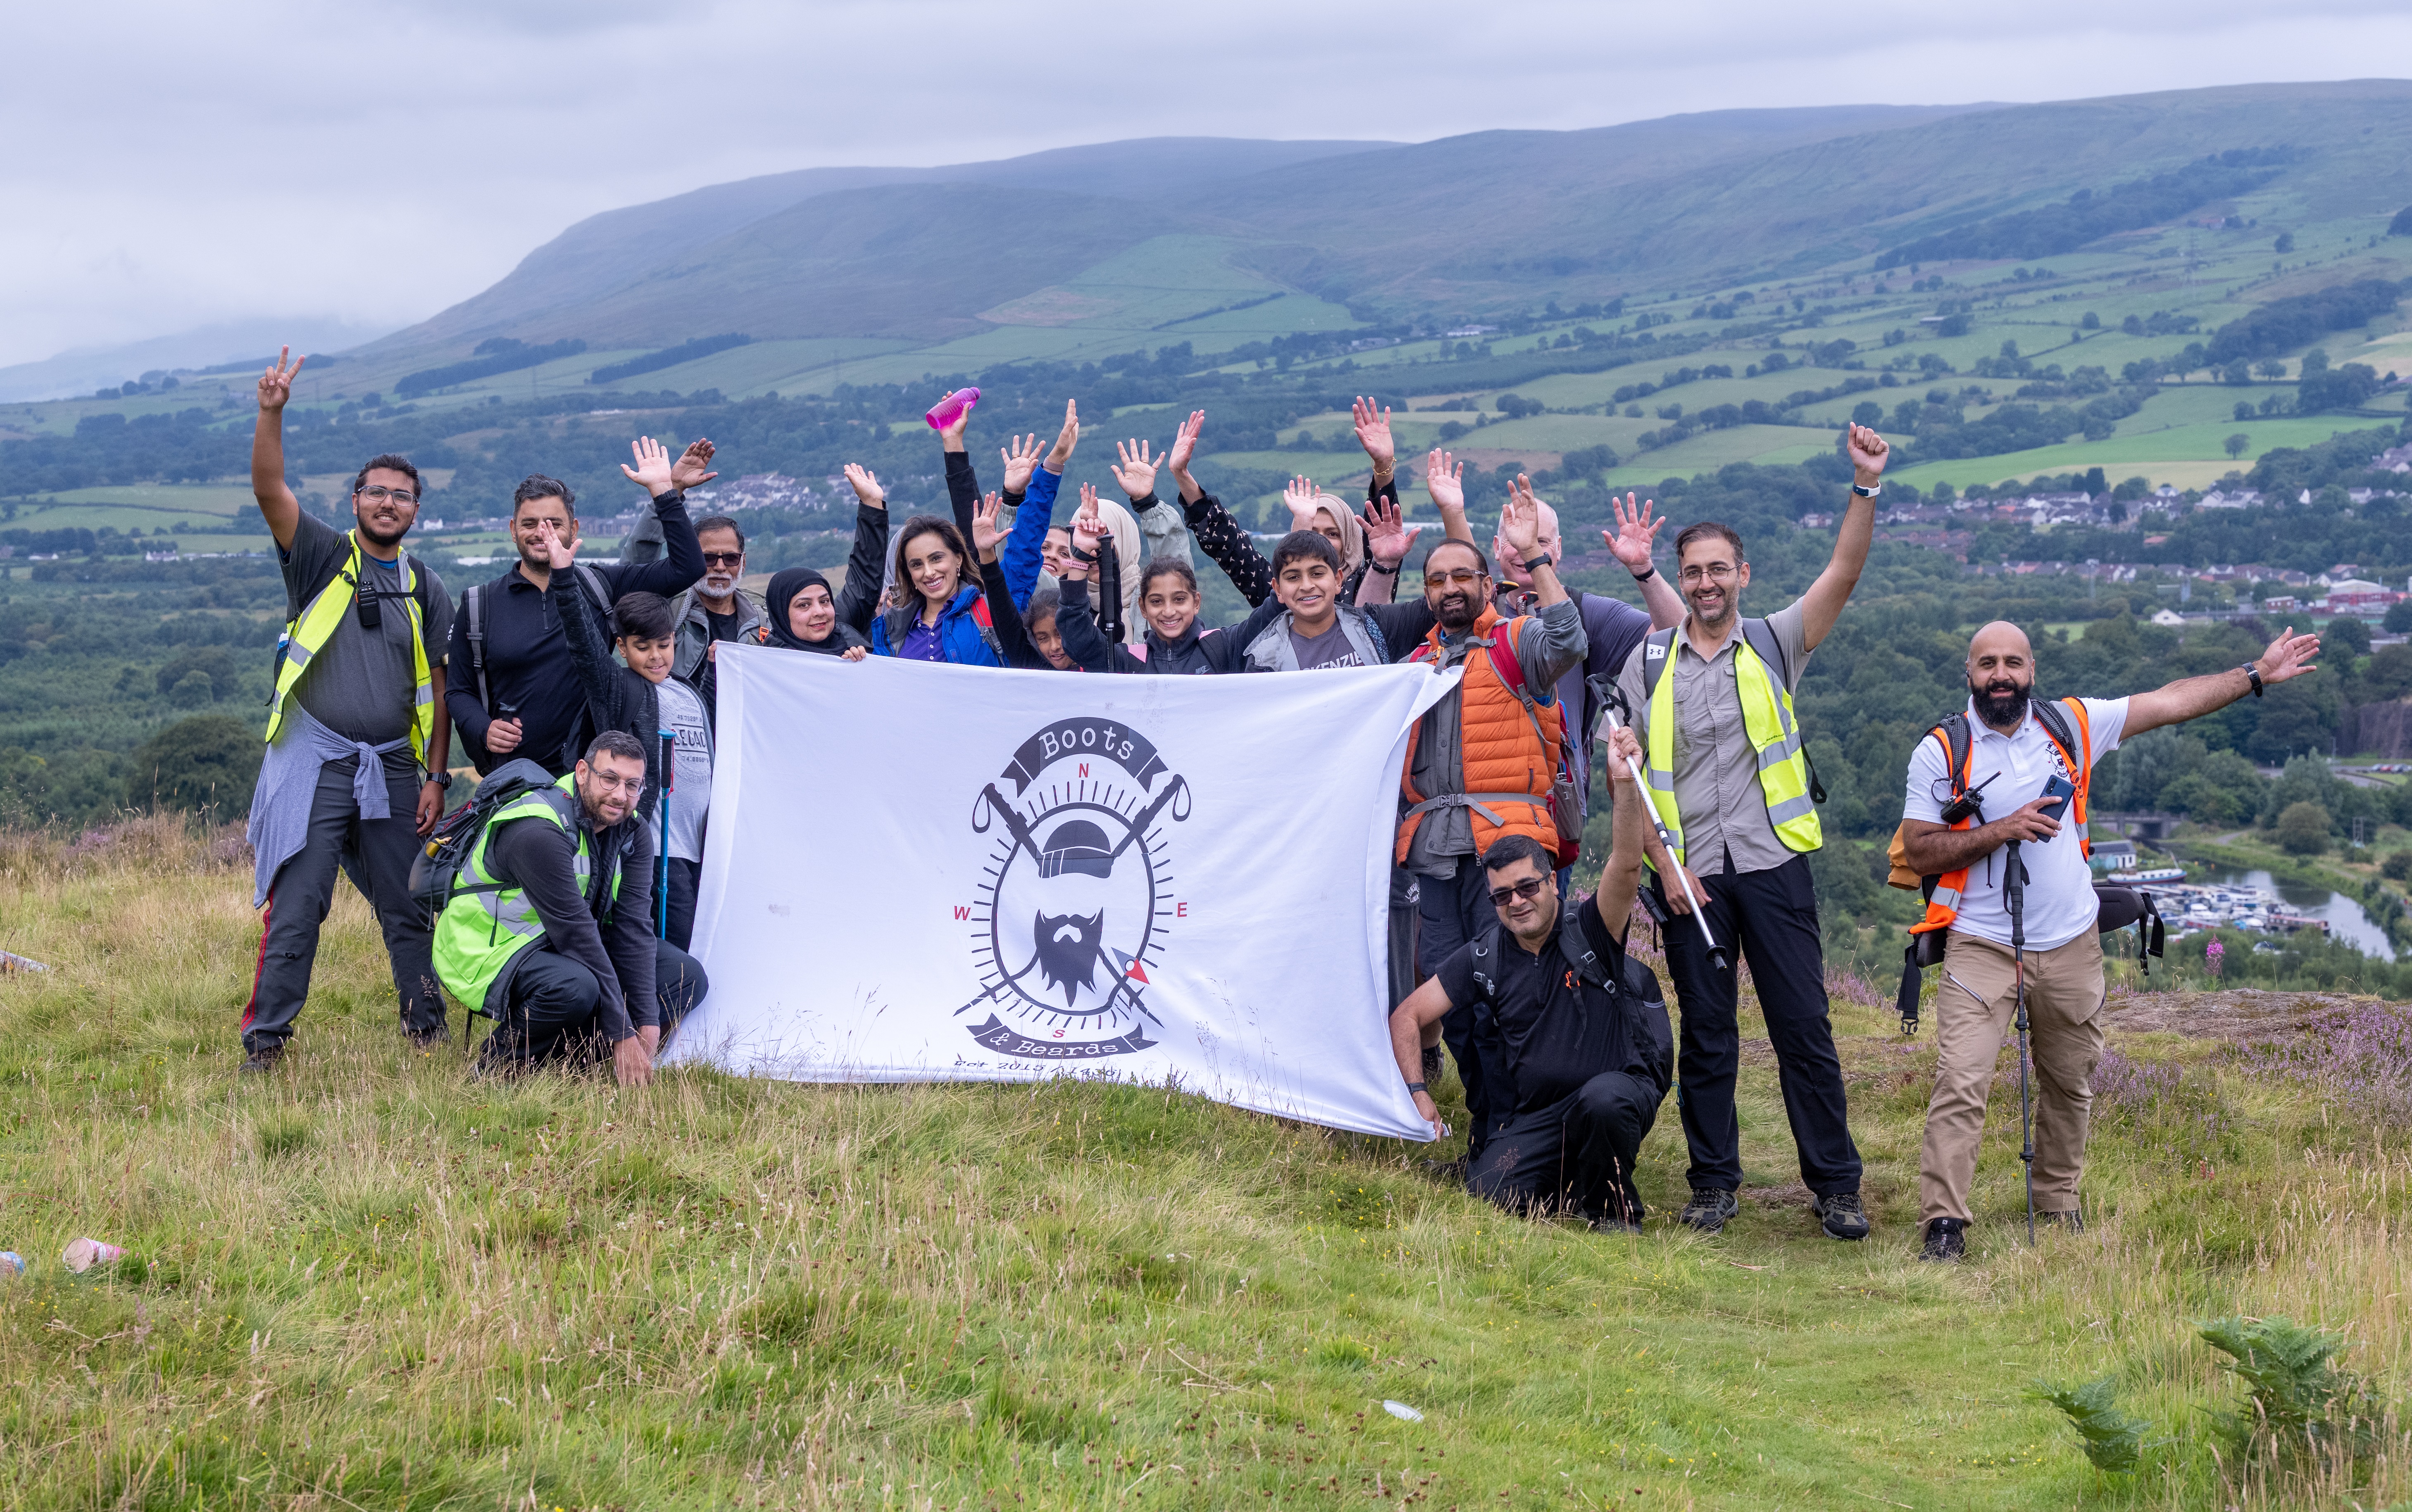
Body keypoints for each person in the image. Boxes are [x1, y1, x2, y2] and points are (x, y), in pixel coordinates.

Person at [1898, 620, 2320, 1261]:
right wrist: (2003, 829)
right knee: (1962, 1082)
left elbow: (2170, 699)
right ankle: (1945, 1224)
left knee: (2071, 1082)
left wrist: (2255, 674)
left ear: (2032, 670)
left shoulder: (2071, 724)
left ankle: (2058, 1202)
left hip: (2070, 940)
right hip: (1982, 943)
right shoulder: (1941, 750)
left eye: (2013, 662)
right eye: (1987, 664)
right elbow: (1922, 848)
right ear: (1969, 675)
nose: (2000, 675)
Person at [1612, 423, 1893, 1241]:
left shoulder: (1773, 642)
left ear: (1741, 575)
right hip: (1689, 877)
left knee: (1801, 1026)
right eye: (1689, 570)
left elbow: (1843, 570)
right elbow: (1631, 780)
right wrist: (1663, 873)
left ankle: (1835, 1187)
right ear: (1680, 578)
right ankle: (1711, 1187)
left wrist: (1864, 483)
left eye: (1715, 570)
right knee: (1706, 1036)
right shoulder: (1648, 661)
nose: (1703, 583)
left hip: (1772, 866)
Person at [237, 347, 455, 1072]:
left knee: (411, 901)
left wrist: (435, 777)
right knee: (300, 904)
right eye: (376, 492)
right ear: (355, 500)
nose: (388, 502)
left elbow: (440, 690)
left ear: (416, 511)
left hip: (394, 765)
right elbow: (270, 489)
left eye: (402, 495)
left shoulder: (427, 587)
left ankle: (426, 1029)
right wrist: (271, 413)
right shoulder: (322, 556)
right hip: (316, 758)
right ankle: (266, 1044)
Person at [1386, 725, 1671, 1230]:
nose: (1516, 902)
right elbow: (1408, 1016)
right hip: (1539, 1117)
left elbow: (1626, 867)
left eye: (1527, 887)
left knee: (1603, 1103)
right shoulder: (1483, 955)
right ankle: (1568, 1184)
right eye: (1501, 896)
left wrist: (1626, 787)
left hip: (1614, 1091)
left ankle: (1612, 1209)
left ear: (1551, 884)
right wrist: (1417, 1092)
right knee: (1489, 1192)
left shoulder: (1591, 931)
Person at [1395, 480, 1588, 1160]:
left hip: (1506, 851)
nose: (1449, 588)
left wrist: (1535, 555)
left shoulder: (1516, 645)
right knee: (1457, 1004)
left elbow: (1570, 638)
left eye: (1461, 576)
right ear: (1426, 593)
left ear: (1485, 582)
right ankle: (1490, 1132)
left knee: (1513, 991)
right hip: (1432, 855)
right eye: (1436, 579)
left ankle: (1532, 1132)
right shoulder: (1413, 666)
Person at [1358, 451, 1686, 815]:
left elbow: (1674, 636)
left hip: (1553, 802)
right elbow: (1375, 627)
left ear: (1558, 549)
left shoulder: (1584, 613)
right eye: (1515, 541)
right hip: (1471, 799)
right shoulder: (1464, 609)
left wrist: (1643, 570)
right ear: (1497, 549)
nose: (1526, 550)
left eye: (1539, 542)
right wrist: (1452, 514)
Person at [433, 731, 708, 1082]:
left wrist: (649, 1023)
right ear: (582, 772)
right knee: (575, 986)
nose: (620, 795)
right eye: (609, 779)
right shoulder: (537, 829)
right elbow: (576, 935)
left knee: (686, 976)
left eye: (632, 785)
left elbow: (633, 928)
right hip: (488, 946)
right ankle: (491, 1071)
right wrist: (623, 1032)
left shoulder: (632, 829)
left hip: (557, 941)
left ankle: (575, 1064)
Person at [446, 437, 712, 775]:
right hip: (512, 779)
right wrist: (484, 728)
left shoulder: (602, 586)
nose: (542, 532)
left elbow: (688, 568)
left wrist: (665, 492)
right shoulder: (478, 605)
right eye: (529, 523)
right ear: (513, 531)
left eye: (554, 523)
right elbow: (458, 691)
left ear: (573, 529)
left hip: (593, 780)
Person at [667, 514, 765, 717]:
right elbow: (634, 566)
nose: (720, 567)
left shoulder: (764, 618)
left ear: (743, 563)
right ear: (692, 560)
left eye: (730, 558)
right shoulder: (670, 612)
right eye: (709, 558)